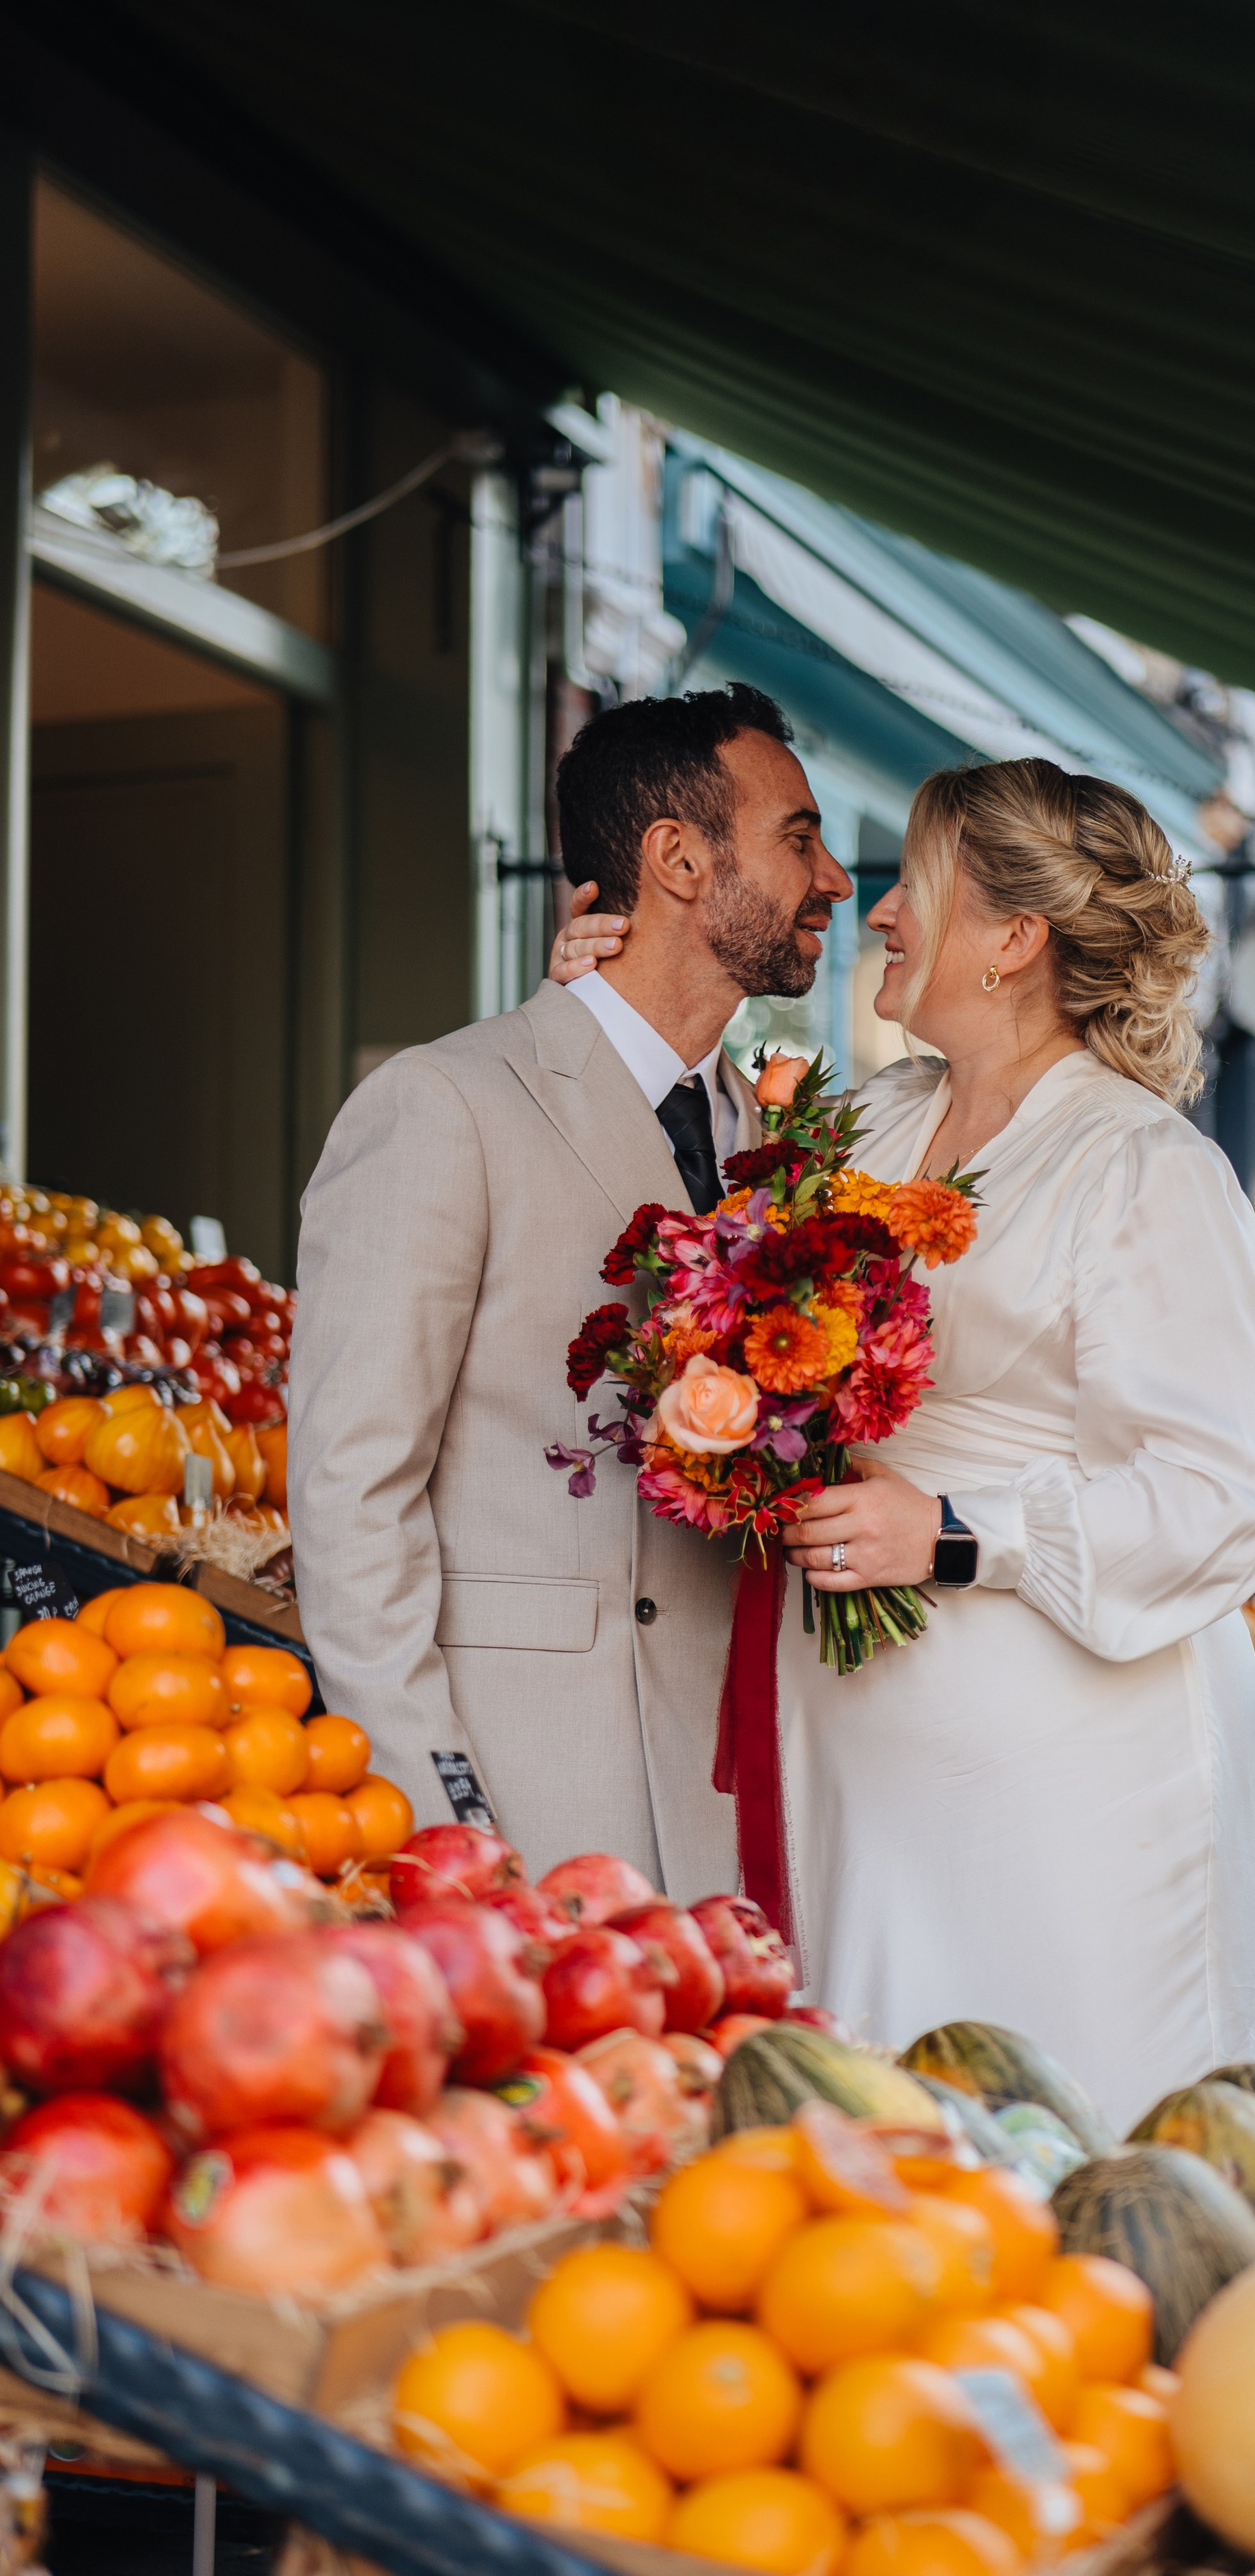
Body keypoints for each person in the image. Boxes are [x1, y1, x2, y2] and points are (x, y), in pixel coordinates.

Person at [773, 759, 1255, 2126]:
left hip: (1067, 1761)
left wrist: (956, 1533)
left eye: (915, 886)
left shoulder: (1141, 1170)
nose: (879, 914)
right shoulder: (874, 1123)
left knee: (1062, 2127)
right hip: (858, 1737)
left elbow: (1227, 1495)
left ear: (1014, 939)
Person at [288, 683, 851, 1882]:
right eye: (799, 838)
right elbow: (351, 1494)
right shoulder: (443, 1106)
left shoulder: (775, 1137)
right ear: (679, 859)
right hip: (526, 1791)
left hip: (738, 1807)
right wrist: (438, 1813)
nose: (837, 881)